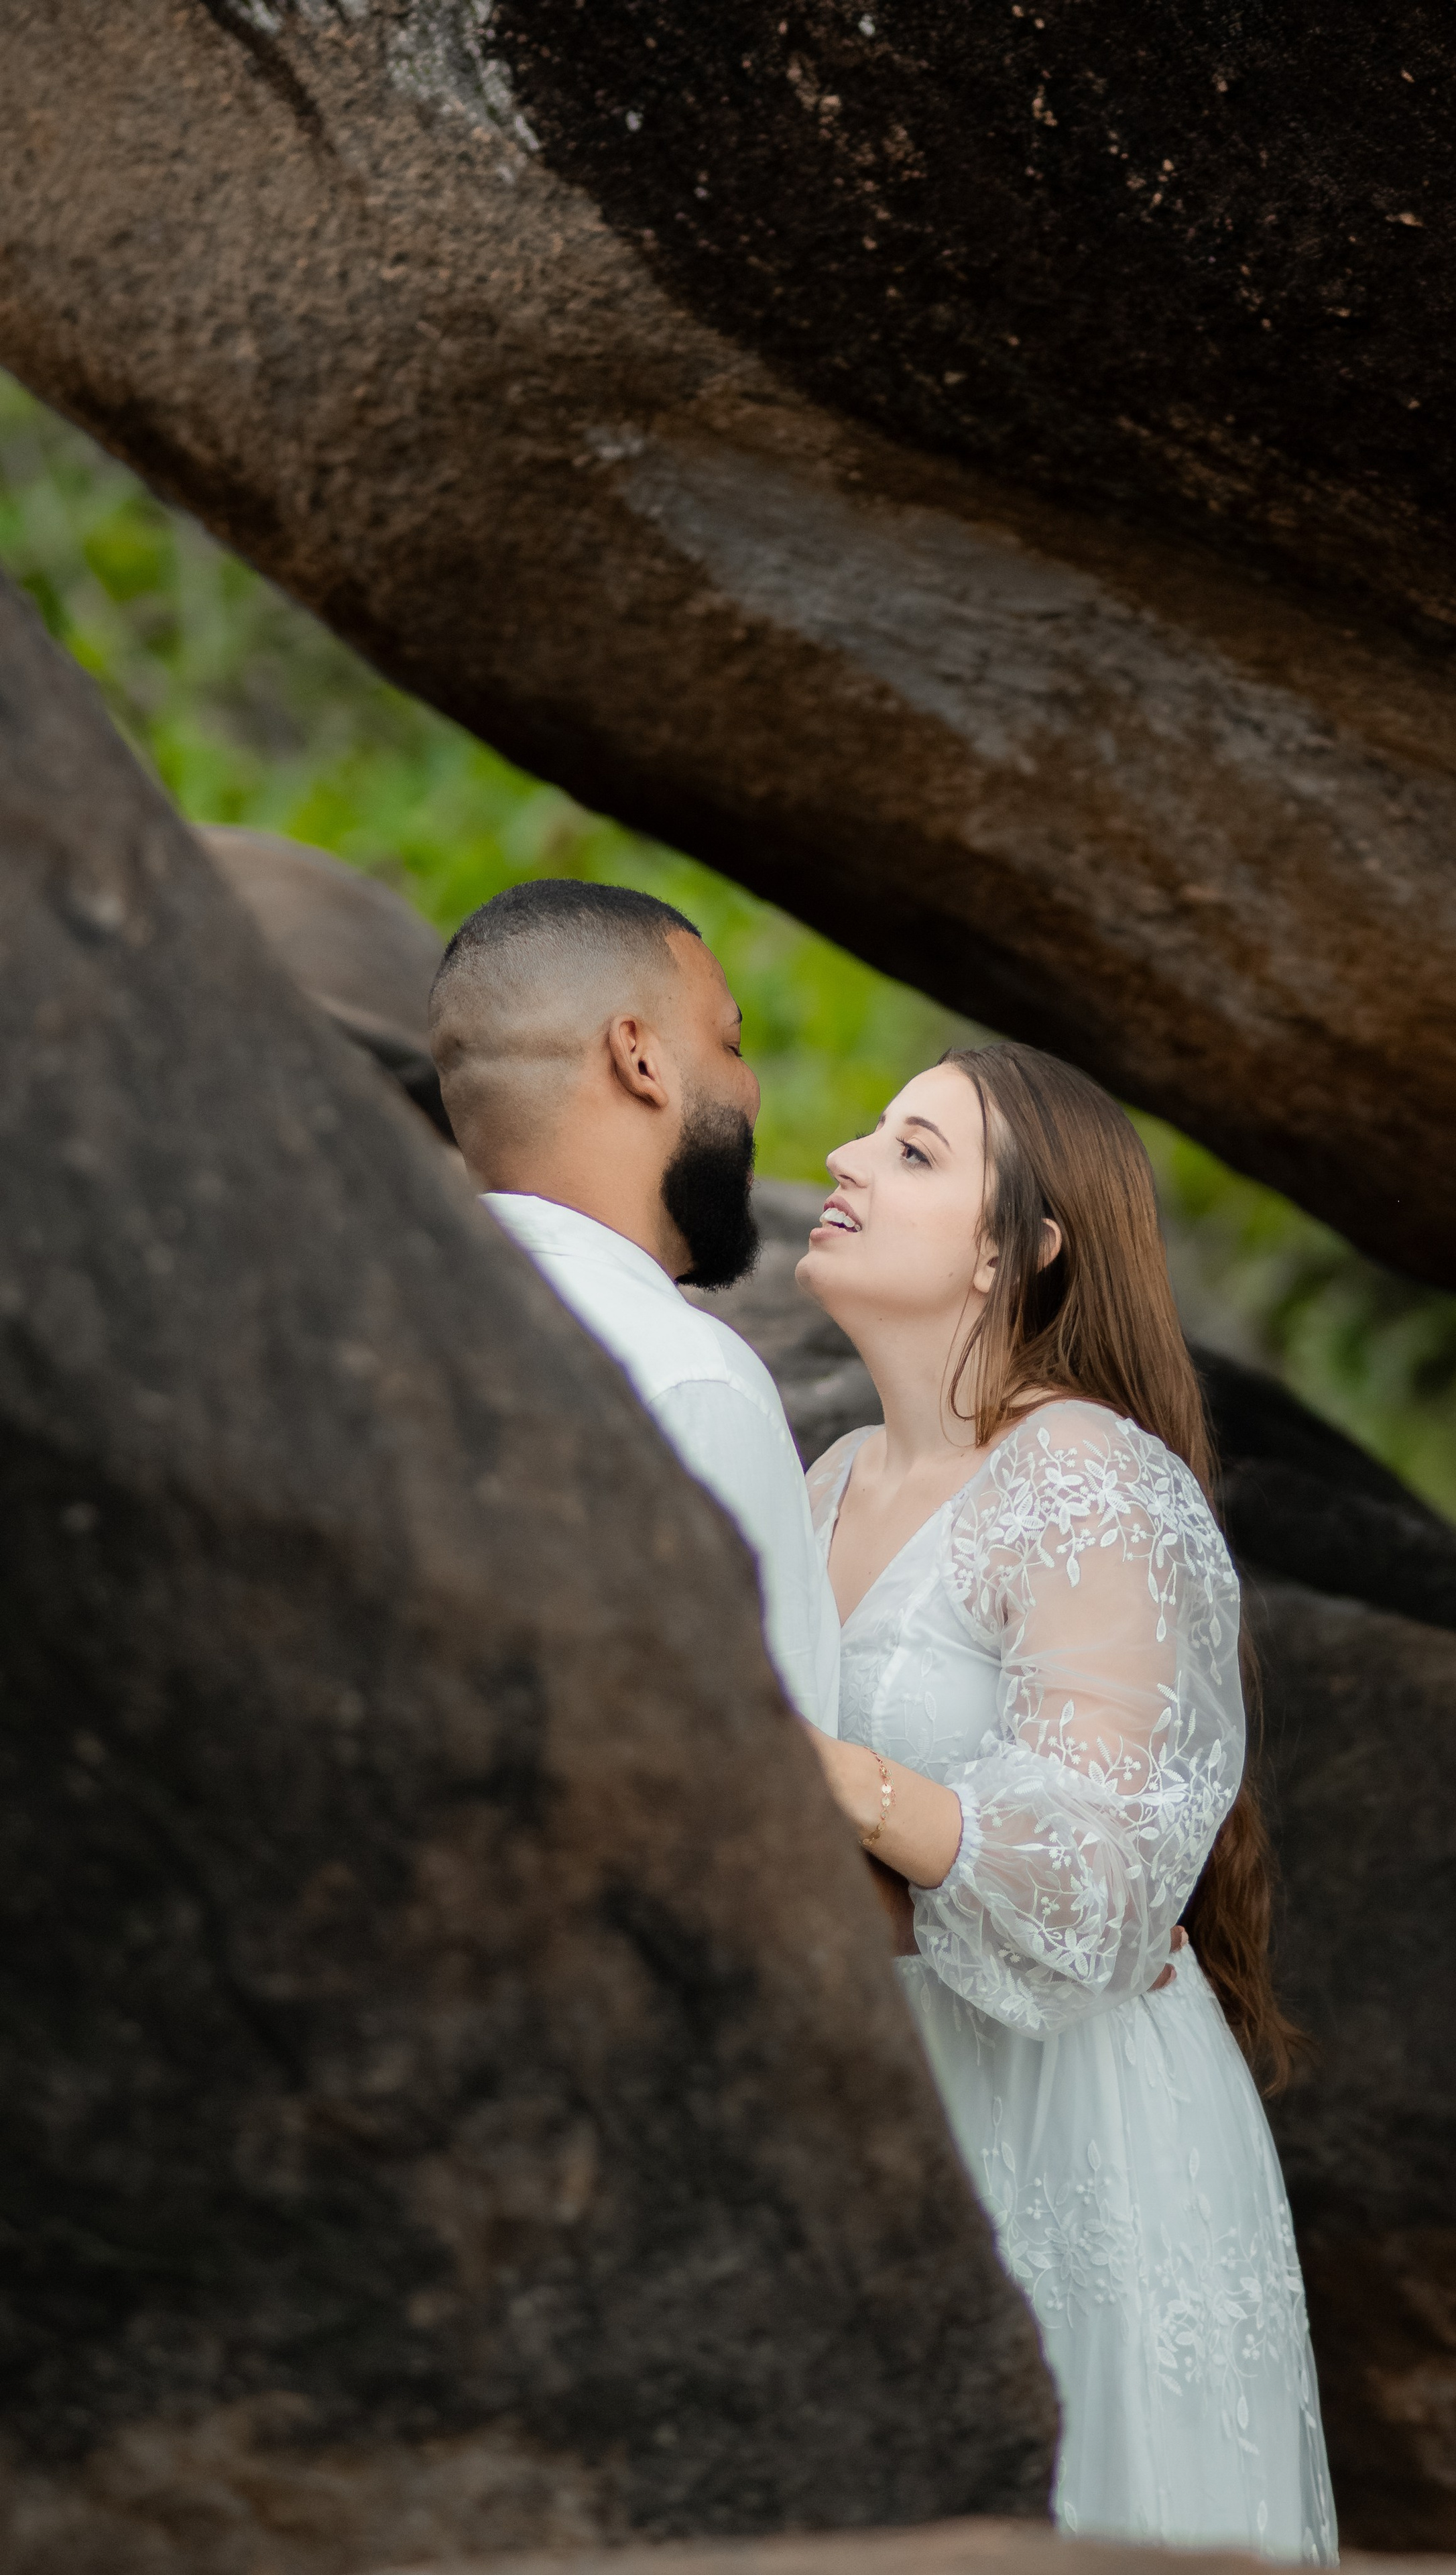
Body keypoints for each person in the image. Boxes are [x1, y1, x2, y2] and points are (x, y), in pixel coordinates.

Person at [795, 1039, 1337, 2560]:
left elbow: (1103, 1870)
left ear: (1016, 1249)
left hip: (1070, 2105)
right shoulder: (824, 1474)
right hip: (882, 2081)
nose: (840, 1158)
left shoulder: (1087, 1477)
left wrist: (832, 1779)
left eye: (910, 1151)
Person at [428, 878, 839, 1737]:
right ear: (639, 1058)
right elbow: (772, 1784)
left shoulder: (386, 1313)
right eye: (729, 1043)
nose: (750, 1089)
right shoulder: (690, 1379)